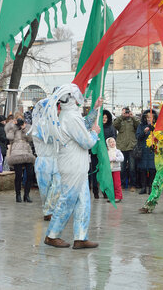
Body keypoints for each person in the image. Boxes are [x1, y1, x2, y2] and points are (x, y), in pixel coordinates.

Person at [43, 84, 101, 249]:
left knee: (83, 200)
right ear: (71, 98)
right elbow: (87, 141)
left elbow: (84, 124)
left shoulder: (71, 116)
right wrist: (95, 132)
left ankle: (80, 237)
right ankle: (52, 235)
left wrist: (95, 108)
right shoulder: (70, 117)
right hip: (72, 164)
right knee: (68, 199)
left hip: (77, 164)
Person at [30, 97, 61, 221]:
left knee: (57, 186)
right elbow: (47, 138)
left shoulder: (57, 123)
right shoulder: (38, 126)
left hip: (57, 159)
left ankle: (50, 210)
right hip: (44, 161)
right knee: (45, 189)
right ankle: (47, 210)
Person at [5, 115, 35, 203]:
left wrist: (24, 128)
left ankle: (27, 195)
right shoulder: (10, 127)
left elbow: (30, 138)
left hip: (27, 152)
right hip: (16, 152)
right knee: (18, 175)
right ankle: (18, 195)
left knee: (30, 174)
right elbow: (9, 137)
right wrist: (13, 127)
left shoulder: (27, 127)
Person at [113, 107, 139, 190]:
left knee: (132, 167)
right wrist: (121, 116)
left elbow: (139, 125)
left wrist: (133, 117)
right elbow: (114, 125)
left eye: (127, 112)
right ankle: (122, 184)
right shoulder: (120, 120)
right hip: (122, 147)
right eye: (125, 112)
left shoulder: (133, 120)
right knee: (122, 168)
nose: (126, 113)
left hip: (131, 147)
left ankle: (133, 185)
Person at [136, 110, 157, 194]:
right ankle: (143, 187)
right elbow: (138, 136)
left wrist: (154, 130)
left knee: (152, 169)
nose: (149, 119)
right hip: (144, 149)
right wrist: (144, 132)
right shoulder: (141, 126)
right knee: (143, 169)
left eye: (151, 117)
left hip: (153, 150)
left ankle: (151, 187)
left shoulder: (156, 126)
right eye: (147, 117)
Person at [106, 137, 124, 203]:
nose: (112, 143)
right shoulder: (107, 152)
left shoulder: (117, 151)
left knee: (117, 183)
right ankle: (111, 196)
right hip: (109, 170)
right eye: (110, 142)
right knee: (110, 184)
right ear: (108, 144)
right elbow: (105, 159)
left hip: (116, 169)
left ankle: (118, 196)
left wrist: (115, 158)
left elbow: (122, 158)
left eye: (113, 141)